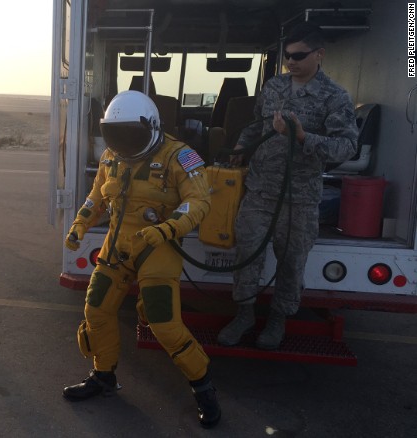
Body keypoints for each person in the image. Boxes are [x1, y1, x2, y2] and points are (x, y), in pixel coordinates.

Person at [62, 90, 220, 428]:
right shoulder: (111, 157)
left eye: (129, 135)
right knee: (96, 310)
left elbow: (199, 201)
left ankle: (203, 387)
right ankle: (102, 375)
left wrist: (169, 228)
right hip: (117, 247)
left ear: (152, 127)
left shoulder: (181, 156)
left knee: (164, 323)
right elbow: (96, 196)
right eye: (115, 135)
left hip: (158, 245)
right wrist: (79, 225)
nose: (122, 143)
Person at [217, 22, 358, 350]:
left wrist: (303, 137)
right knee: (247, 255)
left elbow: (347, 147)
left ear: (319, 54)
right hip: (259, 192)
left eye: (298, 55)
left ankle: (277, 321)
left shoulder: (334, 97)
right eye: (287, 56)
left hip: (300, 199)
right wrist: (241, 147)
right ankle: (244, 315)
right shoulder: (274, 87)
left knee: (291, 264)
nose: (291, 61)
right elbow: (256, 126)